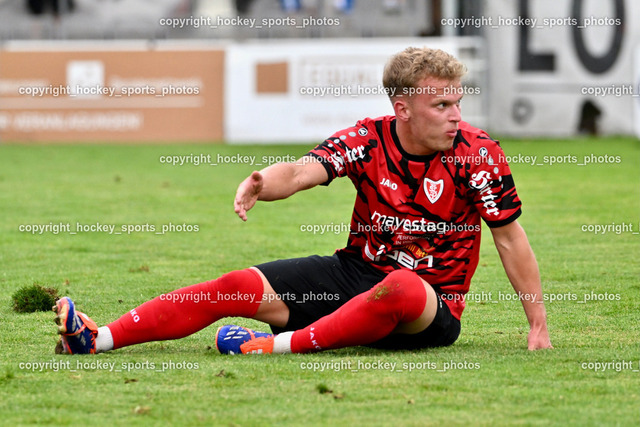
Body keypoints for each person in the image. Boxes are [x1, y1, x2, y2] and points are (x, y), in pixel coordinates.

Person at [53, 47, 553, 356]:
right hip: (355, 275)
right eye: (441, 104)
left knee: (400, 286)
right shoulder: (368, 138)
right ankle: (97, 339)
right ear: (402, 109)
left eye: (458, 102)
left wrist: (537, 325)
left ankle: (270, 347)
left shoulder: (478, 154)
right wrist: (262, 182)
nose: (455, 115)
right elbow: (301, 171)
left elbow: (510, 239)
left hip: (428, 305)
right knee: (235, 285)